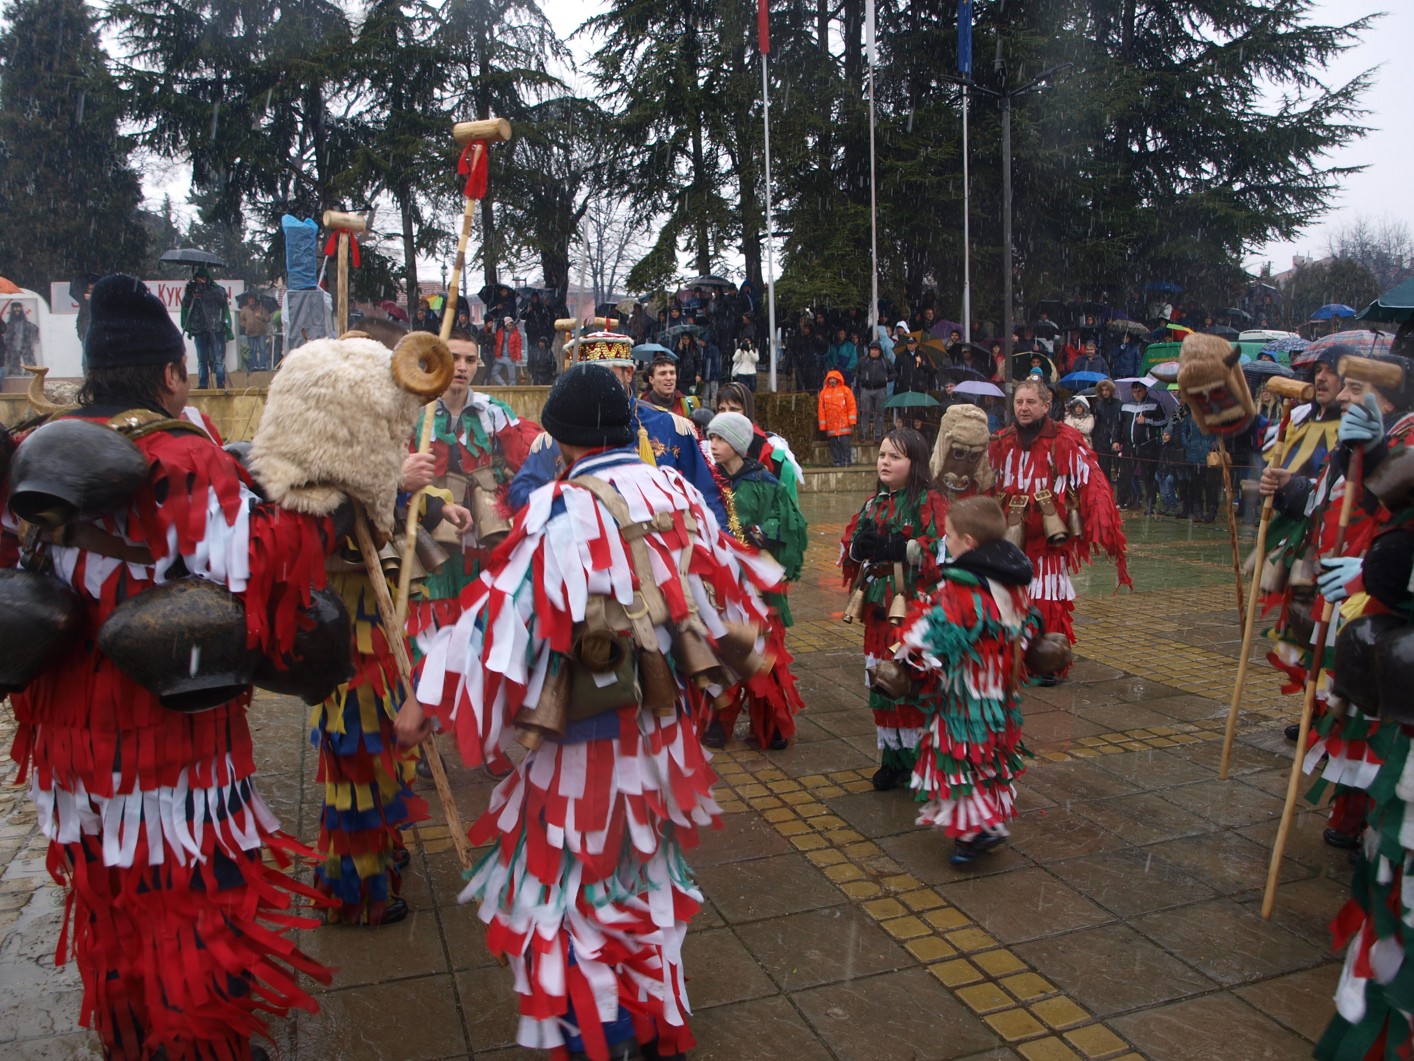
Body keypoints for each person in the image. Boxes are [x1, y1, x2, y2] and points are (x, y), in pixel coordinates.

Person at [1, 275, 343, 1057]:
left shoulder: (30, 454)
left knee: (108, 898)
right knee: (194, 903)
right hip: (173, 738)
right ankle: (196, 1046)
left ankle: (130, 1038)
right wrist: (313, 514)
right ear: (169, 373)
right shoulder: (182, 454)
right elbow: (259, 582)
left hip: (67, 747)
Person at [410, 363, 784, 1061]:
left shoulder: (559, 508)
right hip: (664, 731)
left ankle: (596, 1029)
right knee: (645, 870)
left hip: (582, 737)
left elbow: (502, 622)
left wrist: (430, 700)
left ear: (562, 441)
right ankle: (652, 1018)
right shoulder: (678, 491)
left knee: (569, 882)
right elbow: (728, 599)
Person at [896, 496, 1049, 864]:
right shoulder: (1011, 584)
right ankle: (984, 823)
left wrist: (906, 652)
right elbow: (1027, 630)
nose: (943, 542)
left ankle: (980, 830)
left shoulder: (964, 589)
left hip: (965, 696)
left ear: (968, 542)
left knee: (960, 760)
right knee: (989, 759)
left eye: (948, 536)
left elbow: (933, 635)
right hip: (1000, 697)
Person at [508, 331, 730, 531]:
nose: (598, 387)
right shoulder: (558, 437)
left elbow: (707, 498)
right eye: (589, 378)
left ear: (629, 374)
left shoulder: (672, 427)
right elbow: (522, 493)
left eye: (608, 375)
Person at [987, 377, 1130, 681]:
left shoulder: (1065, 439)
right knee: (1006, 600)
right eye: (1019, 402)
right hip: (1009, 541)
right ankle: (1011, 661)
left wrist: (1102, 523)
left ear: (1046, 405)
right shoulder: (1001, 441)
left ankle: (1047, 663)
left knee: (1047, 599)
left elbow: (1093, 483)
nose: (1024, 408)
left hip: (1049, 543)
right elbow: (983, 482)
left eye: (1031, 402)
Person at [405, 332, 540, 635]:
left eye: (469, 359)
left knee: (480, 611)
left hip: (484, 529)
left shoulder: (493, 411)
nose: (462, 367)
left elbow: (524, 461)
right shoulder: (413, 411)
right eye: (453, 358)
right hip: (429, 524)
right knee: (429, 611)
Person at [841, 428, 947, 790]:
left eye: (895, 457)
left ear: (915, 463)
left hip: (914, 605)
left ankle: (922, 759)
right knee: (883, 680)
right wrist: (858, 548)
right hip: (877, 606)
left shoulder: (930, 499)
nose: (885, 461)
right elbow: (848, 551)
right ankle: (894, 759)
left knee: (913, 679)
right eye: (883, 455)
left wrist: (901, 550)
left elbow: (941, 550)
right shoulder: (872, 503)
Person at [702, 411, 808, 750]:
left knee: (767, 652)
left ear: (736, 443)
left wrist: (766, 533)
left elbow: (792, 524)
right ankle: (719, 722)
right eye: (710, 437)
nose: (712, 444)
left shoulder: (765, 482)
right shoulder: (708, 481)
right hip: (721, 582)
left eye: (719, 438)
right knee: (722, 651)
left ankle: (772, 724)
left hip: (759, 584)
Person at [715, 381, 804, 498]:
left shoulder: (758, 443)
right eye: (722, 409)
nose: (727, 415)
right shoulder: (713, 441)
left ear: (747, 411)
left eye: (734, 409)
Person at [1115, 379, 1167, 512]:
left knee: (1148, 476)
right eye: (1134, 391)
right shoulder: (1125, 405)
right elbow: (1119, 425)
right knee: (1125, 475)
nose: (1136, 394)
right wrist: (1116, 440)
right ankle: (1122, 502)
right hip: (1128, 445)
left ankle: (1151, 504)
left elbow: (1163, 422)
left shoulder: (1155, 404)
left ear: (1145, 391)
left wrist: (1147, 421)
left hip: (1147, 445)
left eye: (1139, 391)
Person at [179, 268, 233, 389]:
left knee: (218, 358)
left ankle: (220, 383)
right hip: (199, 329)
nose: (200, 280)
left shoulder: (216, 289)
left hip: (215, 328)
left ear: (207, 278)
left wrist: (205, 289)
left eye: (202, 277)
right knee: (202, 359)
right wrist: (189, 291)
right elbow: (186, 304)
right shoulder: (192, 291)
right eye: (198, 277)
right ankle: (203, 383)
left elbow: (222, 298)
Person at [818, 368, 857, 466]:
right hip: (831, 424)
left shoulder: (846, 390)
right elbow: (821, 410)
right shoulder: (824, 393)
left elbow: (851, 406)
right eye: (830, 379)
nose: (832, 381)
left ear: (837, 379)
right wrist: (823, 425)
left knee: (845, 444)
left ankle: (847, 460)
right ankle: (837, 461)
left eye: (834, 378)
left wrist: (852, 421)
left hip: (843, 423)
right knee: (833, 444)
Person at [856, 340, 894, 442]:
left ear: (879, 351)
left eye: (876, 350)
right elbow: (856, 372)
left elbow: (894, 374)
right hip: (866, 389)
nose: (873, 352)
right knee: (865, 412)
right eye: (872, 350)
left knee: (880, 413)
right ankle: (863, 434)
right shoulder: (863, 361)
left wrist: (887, 378)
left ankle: (878, 434)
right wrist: (862, 378)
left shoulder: (885, 361)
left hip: (881, 390)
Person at [642, 354, 698, 419]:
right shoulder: (640, 407)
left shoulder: (689, 405)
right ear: (651, 379)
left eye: (672, 373)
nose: (669, 378)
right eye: (662, 374)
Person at [1089, 380, 1121, 483]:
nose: (1104, 392)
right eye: (1102, 390)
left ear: (1111, 390)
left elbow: (1120, 422)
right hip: (1102, 440)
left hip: (1117, 439)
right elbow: (1097, 423)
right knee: (1104, 470)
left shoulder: (1119, 404)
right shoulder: (1098, 405)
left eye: (1107, 390)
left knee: (1119, 468)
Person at [238, 292, 272, 370]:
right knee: (252, 350)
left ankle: (263, 365)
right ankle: (255, 366)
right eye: (250, 299)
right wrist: (246, 325)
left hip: (261, 332)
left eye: (253, 299)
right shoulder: (244, 309)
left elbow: (268, 318)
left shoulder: (261, 308)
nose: (252, 300)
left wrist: (261, 317)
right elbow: (241, 320)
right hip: (250, 333)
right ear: (248, 300)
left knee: (262, 350)